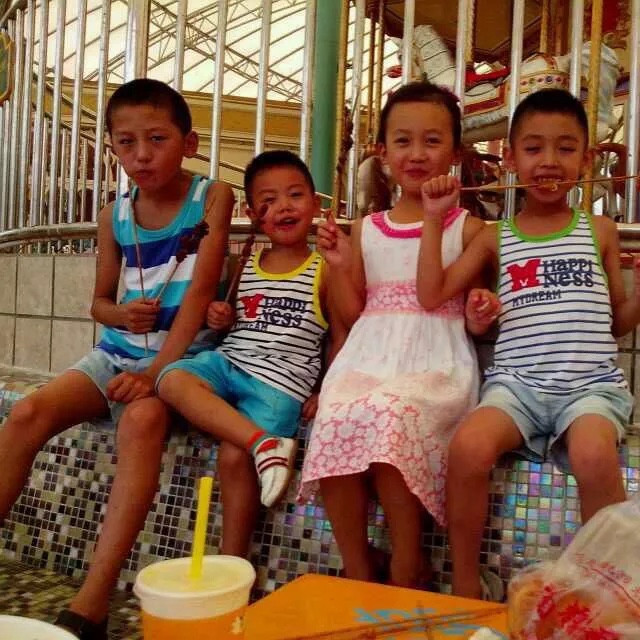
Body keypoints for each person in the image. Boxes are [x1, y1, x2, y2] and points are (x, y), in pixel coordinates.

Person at [0, 78, 234, 639]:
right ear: (112, 148)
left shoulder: (212, 198)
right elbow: (99, 302)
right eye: (126, 143)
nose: (142, 155)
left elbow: (199, 295)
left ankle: (93, 602)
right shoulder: (115, 215)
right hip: (115, 354)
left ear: (189, 142)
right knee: (27, 413)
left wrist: (154, 374)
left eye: (157, 139)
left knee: (143, 421)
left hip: (182, 364)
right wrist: (121, 316)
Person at [417, 88, 639, 600]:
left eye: (566, 148)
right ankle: (466, 583)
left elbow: (616, 324)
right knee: (468, 447)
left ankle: (601, 591)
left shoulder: (600, 230)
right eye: (534, 148)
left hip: (590, 387)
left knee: (593, 454)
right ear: (511, 159)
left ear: (586, 160)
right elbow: (432, 294)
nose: (549, 161)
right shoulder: (495, 236)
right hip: (516, 388)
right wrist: (433, 218)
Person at [298, 81, 490, 588]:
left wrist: (480, 308)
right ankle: (358, 567)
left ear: (455, 152)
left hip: (434, 361)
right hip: (368, 356)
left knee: (391, 415)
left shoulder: (469, 229)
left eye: (433, 140)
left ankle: (409, 561)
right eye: (403, 141)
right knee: (337, 417)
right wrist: (338, 264)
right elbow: (353, 310)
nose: (417, 154)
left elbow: (455, 304)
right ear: (382, 151)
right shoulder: (366, 228)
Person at [156, 150, 341, 558]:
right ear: (254, 214)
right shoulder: (246, 263)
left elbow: (338, 334)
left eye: (295, 195)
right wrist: (220, 317)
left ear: (315, 204)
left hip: (280, 386)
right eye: (269, 200)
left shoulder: (325, 268)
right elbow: (229, 317)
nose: (284, 207)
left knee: (232, 457)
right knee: (170, 378)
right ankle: (265, 444)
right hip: (230, 364)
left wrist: (326, 389)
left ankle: (233, 560)